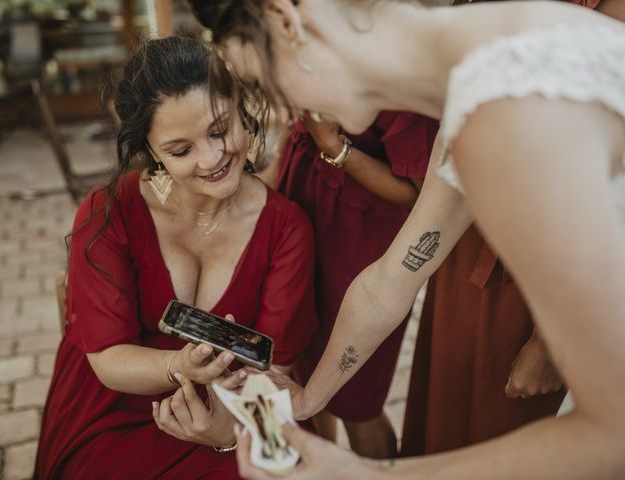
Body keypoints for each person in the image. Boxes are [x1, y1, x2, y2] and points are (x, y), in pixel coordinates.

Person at [190, 0, 625, 478]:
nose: (283, 109)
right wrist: (309, 397)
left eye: (262, 84)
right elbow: (389, 283)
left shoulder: (503, 111)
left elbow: (612, 434)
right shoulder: (487, 66)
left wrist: (363, 474)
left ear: (287, 19)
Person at [33, 35, 318, 479]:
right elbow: (107, 355)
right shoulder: (109, 212)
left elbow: (273, 369)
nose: (212, 158)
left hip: (240, 404)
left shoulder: (287, 229)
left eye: (221, 130)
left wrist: (226, 434)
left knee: (286, 469)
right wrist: (178, 366)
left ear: (244, 110)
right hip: (115, 410)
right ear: (151, 151)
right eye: (181, 150)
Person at [400, 0, 624, 456]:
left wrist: (548, 342)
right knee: (441, 412)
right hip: (468, 232)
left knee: (499, 436)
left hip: (544, 274)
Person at [273, 112, 438, 458]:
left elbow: (419, 193)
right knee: (303, 361)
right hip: (304, 196)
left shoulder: (404, 101)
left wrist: (335, 147)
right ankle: (319, 459)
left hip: (360, 232)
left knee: (356, 398)